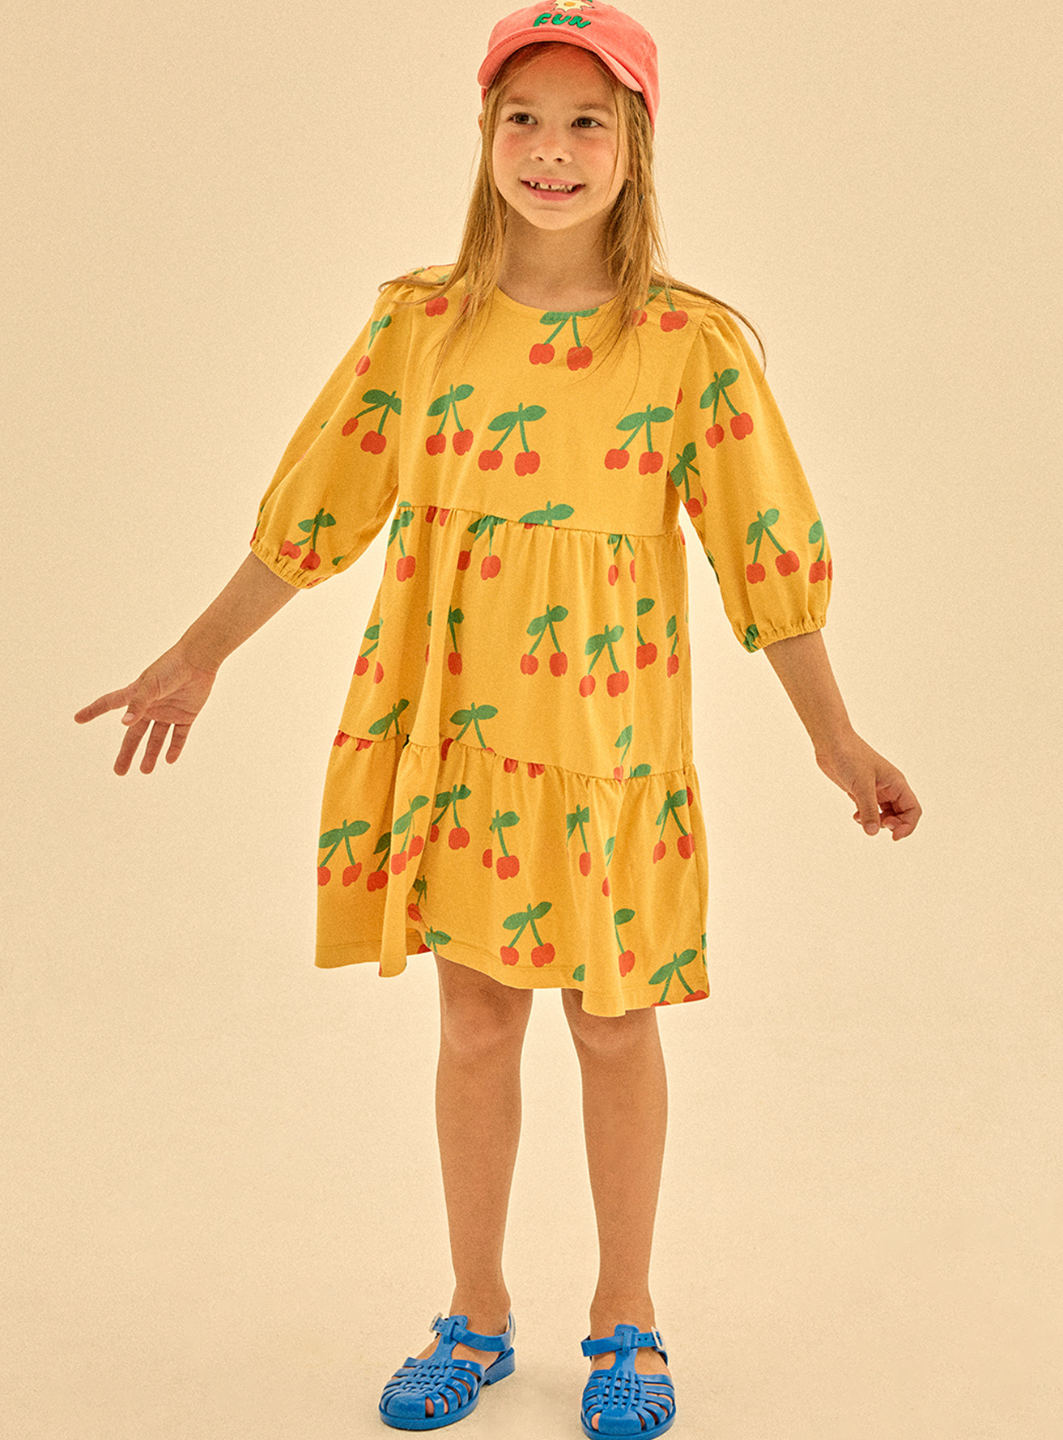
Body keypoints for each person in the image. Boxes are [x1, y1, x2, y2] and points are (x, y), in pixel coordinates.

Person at [75, 2, 921, 1433]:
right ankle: (476, 1310)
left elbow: (765, 560)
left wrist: (836, 739)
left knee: (610, 1024)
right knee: (475, 1024)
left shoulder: (691, 348)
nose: (552, 149)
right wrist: (196, 656)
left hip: (606, 747)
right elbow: (321, 512)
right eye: (523, 116)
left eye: (588, 120)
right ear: (484, 135)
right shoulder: (419, 324)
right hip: (456, 725)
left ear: (637, 145)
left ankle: (626, 1319)